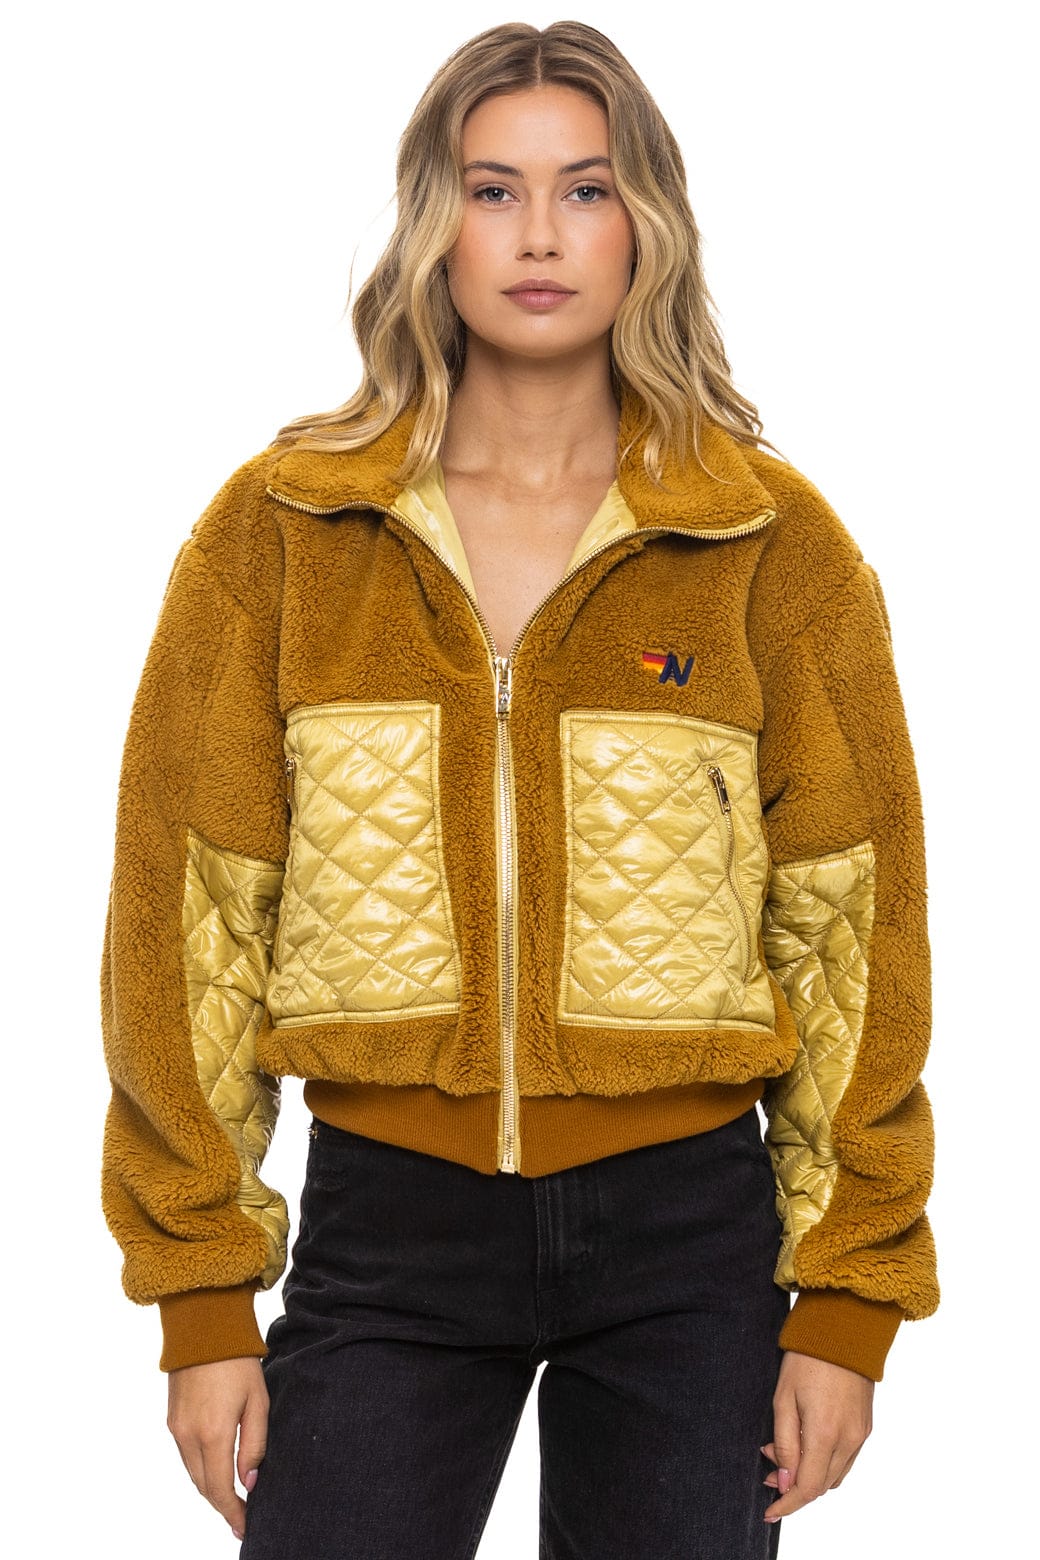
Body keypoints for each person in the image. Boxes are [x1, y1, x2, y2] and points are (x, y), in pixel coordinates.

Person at [99, 19, 939, 1558]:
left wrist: (849, 1296)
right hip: (389, 1228)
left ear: (647, 224)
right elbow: (188, 921)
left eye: (586, 189)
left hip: (692, 1240)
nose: (540, 235)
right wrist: (201, 1295)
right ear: (435, 224)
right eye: (495, 190)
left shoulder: (768, 545)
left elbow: (852, 937)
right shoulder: (283, 533)